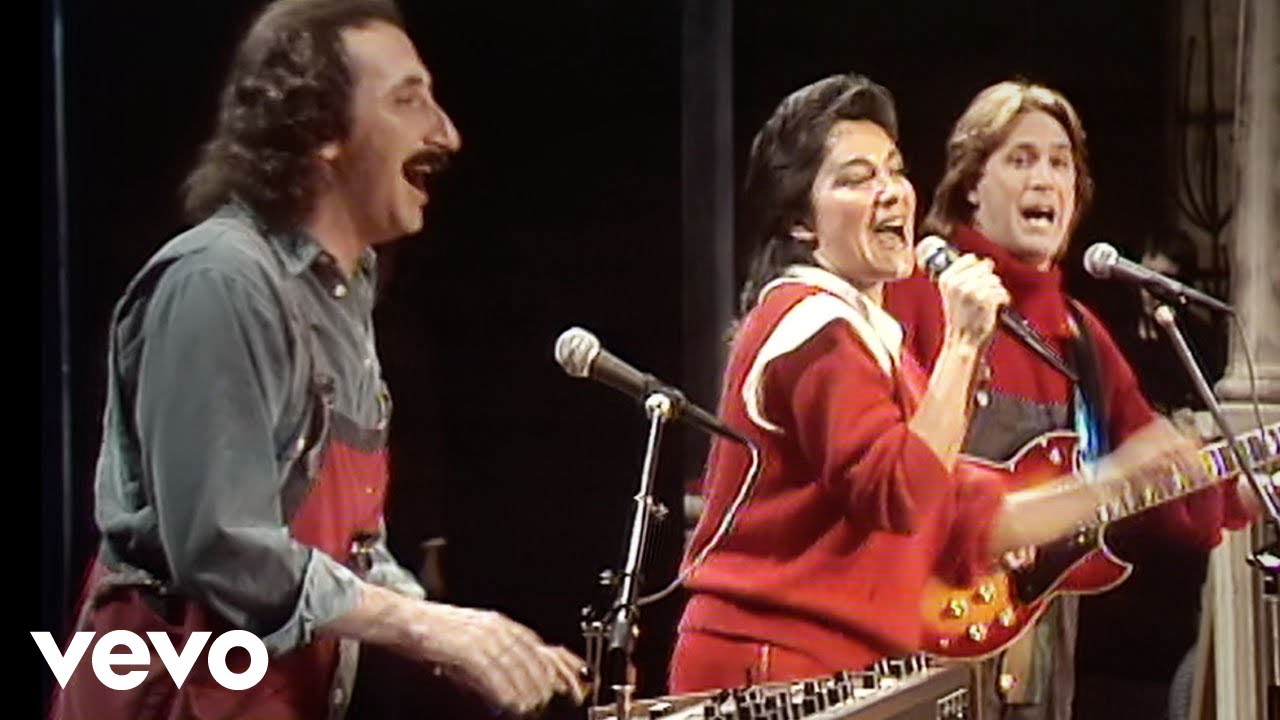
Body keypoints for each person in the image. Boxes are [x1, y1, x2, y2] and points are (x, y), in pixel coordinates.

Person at [47, 1, 587, 718]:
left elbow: (348, 553)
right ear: (320, 128)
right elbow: (222, 548)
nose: (446, 132)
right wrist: (428, 628)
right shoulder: (219, 283)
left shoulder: (343, 291)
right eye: (408, 100)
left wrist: (469, 642)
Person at [667, 72, 1209, 695]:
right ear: (801, 225)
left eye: (894, 170)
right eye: (856, 179)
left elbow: (961, 510)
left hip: (848, 670)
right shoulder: (811, 324)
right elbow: (901, 493)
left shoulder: (870, 336)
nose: (890, 193)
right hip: (774, 666)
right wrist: (964, 343)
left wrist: (1116, 481)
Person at [882, 79, 1258, 720]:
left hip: (1039, 654)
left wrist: (1243, 486)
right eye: (1020, 159)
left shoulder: (1080, 334)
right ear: (971, 184)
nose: (1045, 179)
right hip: (909, 641)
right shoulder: (915, 296)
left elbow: (1159, 479)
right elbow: (881, 472)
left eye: (1060, 163)